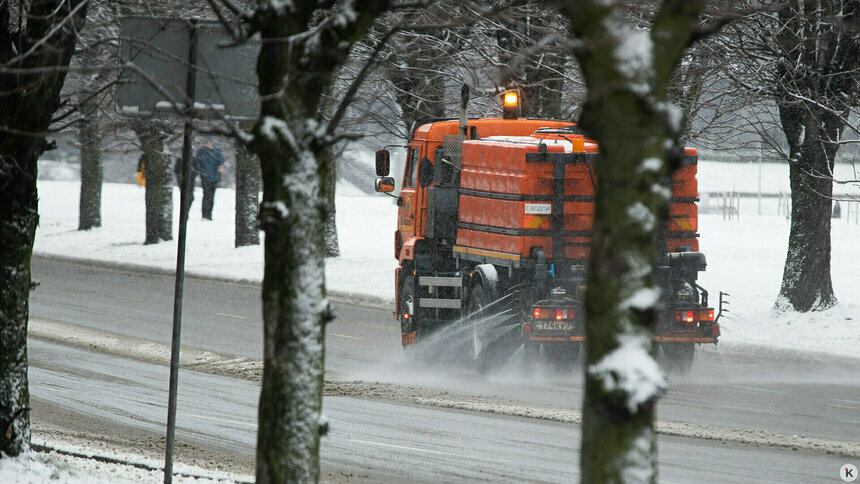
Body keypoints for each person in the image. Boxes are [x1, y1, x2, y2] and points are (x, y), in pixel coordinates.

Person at [193, 138, 225, 220]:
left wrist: (221, 166)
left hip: (214, 177)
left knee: (211, 196)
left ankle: (209, 214)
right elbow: (198, 164)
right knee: (206, 195)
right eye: (208, 142)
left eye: (210, 142)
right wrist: (203, 173)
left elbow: (221, 161)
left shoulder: (216, 152)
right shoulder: (201, 152)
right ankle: (204, 214)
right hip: (205, 178)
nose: (209, 144)